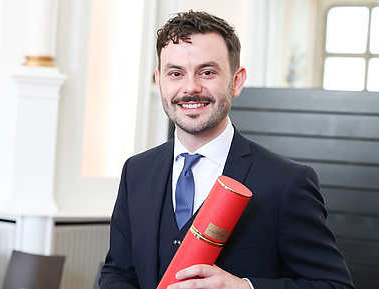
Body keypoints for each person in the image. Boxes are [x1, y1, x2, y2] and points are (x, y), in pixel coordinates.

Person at [98, 10, 355, 289]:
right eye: (176, 73)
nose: (190, 88)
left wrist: (245, 287)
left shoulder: (286, 182)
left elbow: (335, 285)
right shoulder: (136, 171)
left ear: (236, 81)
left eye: (207, 72)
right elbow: (117, 273)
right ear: (159, 81)